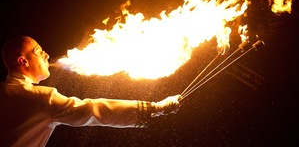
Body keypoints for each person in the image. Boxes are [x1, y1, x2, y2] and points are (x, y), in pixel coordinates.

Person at [0, 36, 181, 147]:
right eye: (39, 52)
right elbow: (92, 110)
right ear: (23, 61)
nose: (47, 55)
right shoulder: (41, 99)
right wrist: (154, 108)